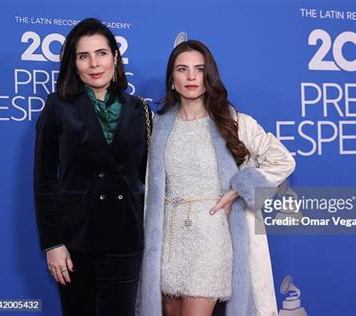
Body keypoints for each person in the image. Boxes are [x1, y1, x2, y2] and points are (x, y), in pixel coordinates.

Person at [137, 40, 295, 316]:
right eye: (182, 69)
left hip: (211, 237)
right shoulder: (159, 127)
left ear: (208, 76)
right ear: (172, 79)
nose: (190, 77)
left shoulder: (233, 122)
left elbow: (283, 160)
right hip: (169, 243)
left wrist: (239, 189)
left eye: (198, 69)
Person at [33, 18, 151, 316]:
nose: (94, 64)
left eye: (101, 53)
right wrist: (52, 243)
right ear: (74, 64)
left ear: (114, 57)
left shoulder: (138, 109)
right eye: (83, 56)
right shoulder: (58, 106)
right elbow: (44, 179)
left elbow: (147, 175)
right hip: (75, 241)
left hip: (125, 238)